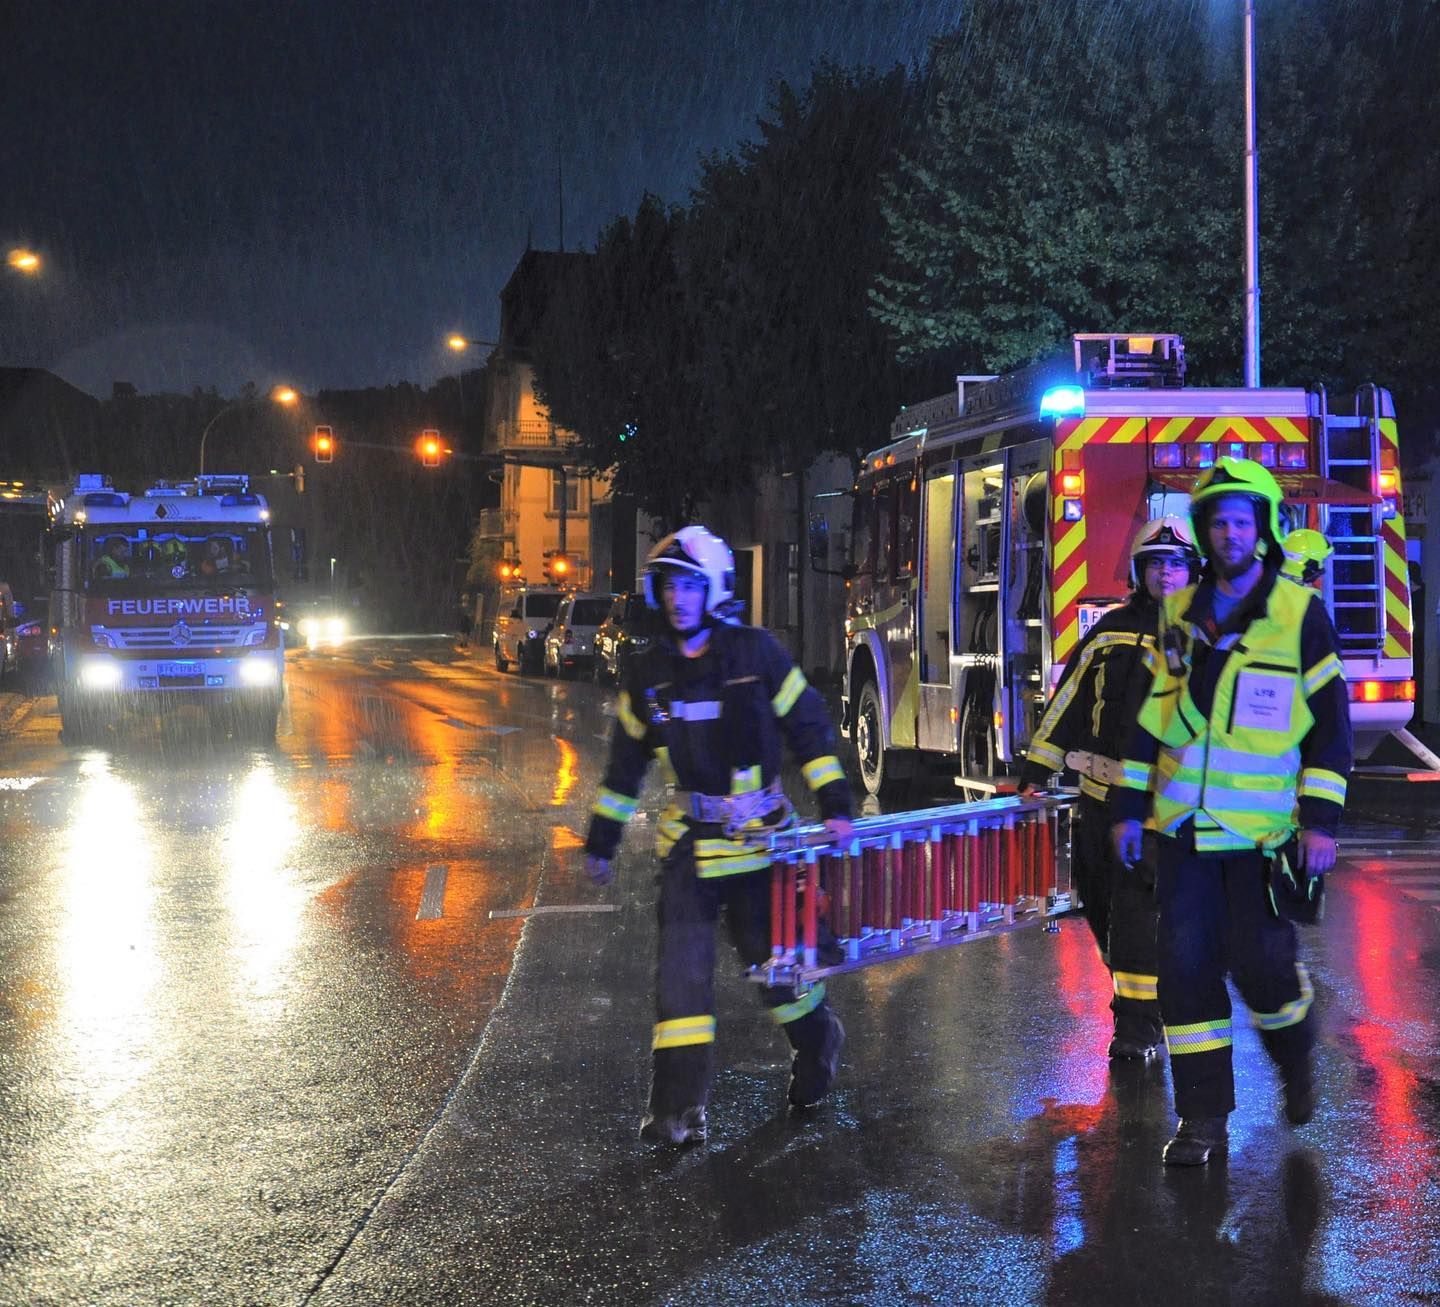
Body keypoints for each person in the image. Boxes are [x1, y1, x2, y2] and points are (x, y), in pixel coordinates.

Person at [1110, 457, 1351, 1166]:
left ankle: (1295, 1055)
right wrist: (1128, 808)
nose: (1229, 531)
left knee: (1266, 971)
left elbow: (1331, 730)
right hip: (1183, 832)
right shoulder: (1180, 613)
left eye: (1242, 519)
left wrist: (1320, 822)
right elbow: (1150, 723)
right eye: (1217, 520)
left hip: (1261, 835)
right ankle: (1202, 1120)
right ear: (1204, 530)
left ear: (1264, 528)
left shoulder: (1301, 615)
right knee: (1182, 971)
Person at [583, 525, 854, 1146]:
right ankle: (677, 1110)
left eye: (689, 585)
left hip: (760, 846)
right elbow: (626, 765)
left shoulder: (755, 655)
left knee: (777, 972)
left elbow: (809, 726)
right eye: (668, 586)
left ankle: (819, 1044)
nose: (678, 598)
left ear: (714, 590)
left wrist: (836, 803)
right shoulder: (649, 675)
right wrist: (602, 840)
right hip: (690, 850)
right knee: (681, 980)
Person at [1017, 516, 1200, 1062]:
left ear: (1192, 572)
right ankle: (1139, 994)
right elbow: (1068, 703)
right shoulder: (1109, 630)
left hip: (1158, 806)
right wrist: (1036, 769)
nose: (1166, 573)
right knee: (1097, 903)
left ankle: (1138, 1029)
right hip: (1097, 801)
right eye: (1156, 564)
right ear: (1139, 572)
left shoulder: (1199, 635)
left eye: (1176, 564)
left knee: (1136, 908)